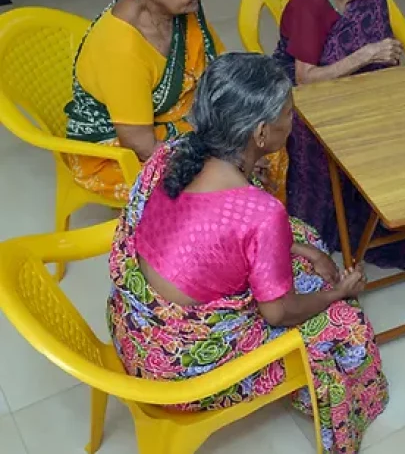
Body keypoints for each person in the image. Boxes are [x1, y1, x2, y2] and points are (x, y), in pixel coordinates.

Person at [107, 53, 388, 453]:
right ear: (261, 134)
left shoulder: (174, 152)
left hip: (134, 326)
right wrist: (337, 294)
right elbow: (278, 313)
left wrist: (303, 248)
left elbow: (221, 232)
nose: (293, 121)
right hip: (179, 370)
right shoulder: (260, 213)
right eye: (288, 114)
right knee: (346, 322)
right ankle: (339, 422)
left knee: (302, 232)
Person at [64, 0, 288, 203]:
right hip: (121, 154)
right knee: (232, 183)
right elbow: (141, 144)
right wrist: (224, 163)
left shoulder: (180, 6)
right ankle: (246, 239)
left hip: (180, 120)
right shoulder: (120, 47)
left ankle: (275, 232)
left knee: (268, 142)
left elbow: (216, 70)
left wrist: (237, 138)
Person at [276, 0, 405, 269]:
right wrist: (367, 55)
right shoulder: (310, 3)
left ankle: (387, 212)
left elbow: (382, 38)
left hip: (365, 88)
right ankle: (330, 232)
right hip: (312, 101)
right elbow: (305, 79)